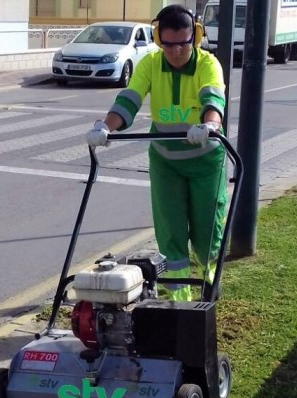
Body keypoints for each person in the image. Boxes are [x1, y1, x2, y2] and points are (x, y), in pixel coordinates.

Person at [86, 4, 227, 302]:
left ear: (196, 38)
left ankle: (208, 294)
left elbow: (213, 98)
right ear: (159, 39)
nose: (176, 51)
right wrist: (106, 127)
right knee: (170, 236)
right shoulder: (150, 64)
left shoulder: (207, 64)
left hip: (205, 162)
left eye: (183, 44)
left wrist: (210, 125)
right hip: (166, 164)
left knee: (206, 237)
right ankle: (179, 303)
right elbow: (129, 100)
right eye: (169, 44)